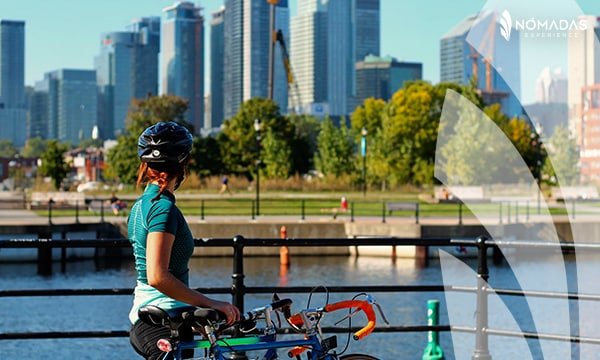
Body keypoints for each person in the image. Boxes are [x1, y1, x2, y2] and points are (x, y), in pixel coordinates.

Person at [128, 121, 240, 360]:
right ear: (182, 165)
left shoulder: (141, 205)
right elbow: (157, 276)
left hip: (164, 317)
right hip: (163, 320)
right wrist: (211, 303)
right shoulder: (162, 208)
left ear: (146, 165)